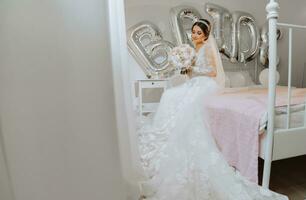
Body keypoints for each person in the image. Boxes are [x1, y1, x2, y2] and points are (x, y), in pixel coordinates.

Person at [138, 19, 287, 200]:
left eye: (199, 33)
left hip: (206, 84)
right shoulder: (194, 49)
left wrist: (193, 67)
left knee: (180, 99)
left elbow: (214, 73)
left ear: (206, 35)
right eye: (193, 32)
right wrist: (187, 68)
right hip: (196, 81)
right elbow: (192, 73)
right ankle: (165, 132)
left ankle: (178, 129)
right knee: (170, 95)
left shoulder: (208, 49)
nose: (194, 35)